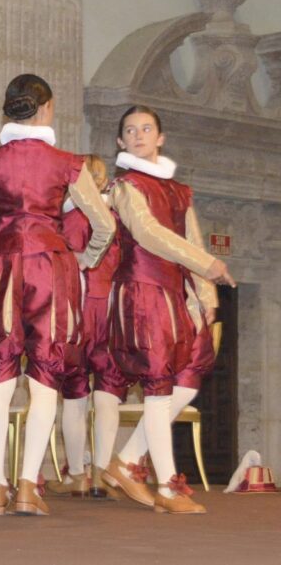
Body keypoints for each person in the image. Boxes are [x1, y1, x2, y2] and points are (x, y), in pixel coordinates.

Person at [0, 74, 115, 517]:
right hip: (52, 269)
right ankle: (26, 487)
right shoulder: (68, 163)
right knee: (45, 381)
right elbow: (106, 225)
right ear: (48, 108)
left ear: (8, 109)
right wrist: (84, 260)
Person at [100, 105, 235, 514]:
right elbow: (148, 233)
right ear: (122, 142)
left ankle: (125, 460)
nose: (138, 135)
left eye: (146, 129)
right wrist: (208, 265)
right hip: (142, 291)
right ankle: (168, 486)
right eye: (130, 130)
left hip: (178, 295)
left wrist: (206, 298)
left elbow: (192, 238)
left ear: (161, 137)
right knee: (158, 387)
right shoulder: (125, 186)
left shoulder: (180, 191)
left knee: (190, 379)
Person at [47, 155, 128, 499]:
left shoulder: (67, 216)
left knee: (75, 391)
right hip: (110, 306)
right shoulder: (117, 217)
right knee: (108, 387)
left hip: (78, 305)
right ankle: (100, 472)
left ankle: (76, 474)